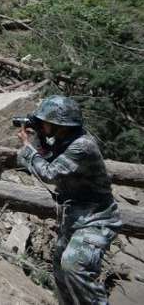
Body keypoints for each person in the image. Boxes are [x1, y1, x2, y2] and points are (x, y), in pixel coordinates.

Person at [16, 95, 121, 305]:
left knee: (74, 266)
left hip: (96, 219)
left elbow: (49, 173)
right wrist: (39, 139)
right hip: (74, 218)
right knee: (61, 271)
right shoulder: (64, 141)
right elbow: (41, 158)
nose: (42, 124)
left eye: (45, 122)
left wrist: (28, 146)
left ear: (60, 125)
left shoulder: (81, 146)